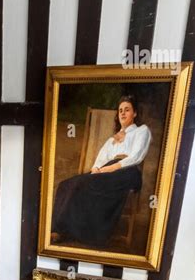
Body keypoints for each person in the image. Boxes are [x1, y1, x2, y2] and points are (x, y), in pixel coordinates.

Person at [51, 95, 152, 247]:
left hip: (127, 171)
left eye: (127, 110)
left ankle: (78, 232)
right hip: (107, 170)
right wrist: (96, 170)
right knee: (65, 184)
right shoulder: (113, 138)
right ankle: (60, 229)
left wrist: (108, 169)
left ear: (135, 113)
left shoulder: (141, 131)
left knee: (81, 185)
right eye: (120, 111)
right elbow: (100, 159)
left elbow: (136, 157)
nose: (123, 113)